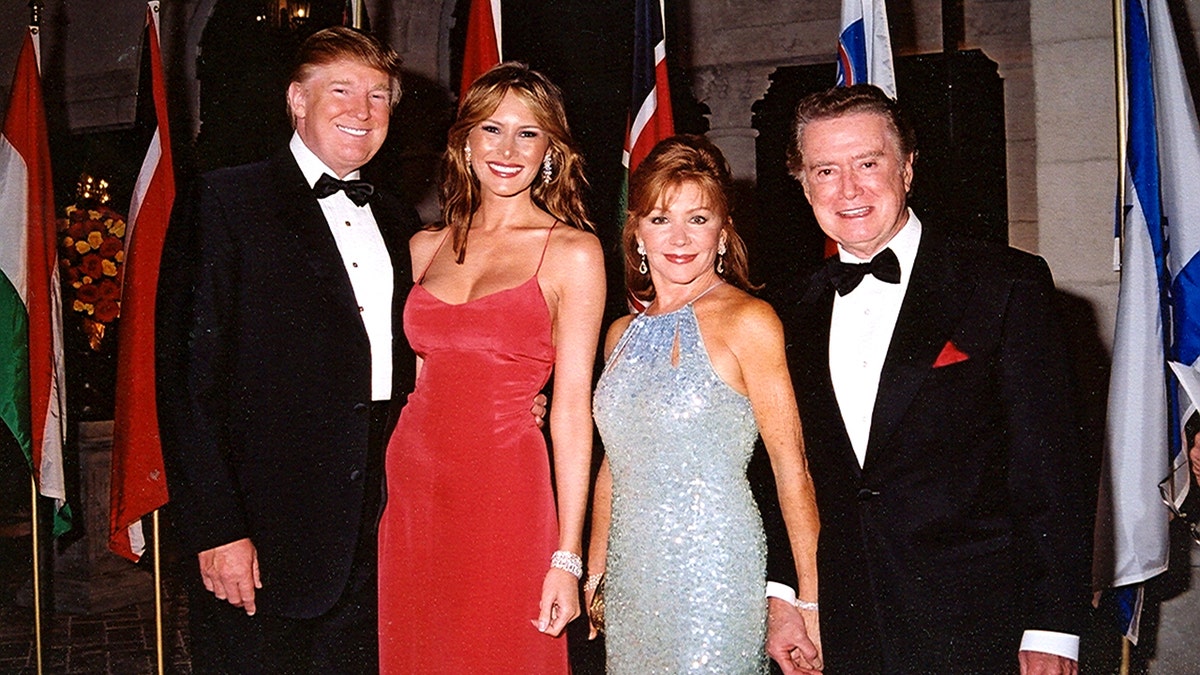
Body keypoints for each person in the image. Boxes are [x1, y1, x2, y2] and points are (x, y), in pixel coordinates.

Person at [764, 84, 1093, 675]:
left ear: (908, 168)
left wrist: (1054, 626)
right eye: (826, 170)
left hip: (983, 622)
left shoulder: (1003, 284)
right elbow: (786, 468)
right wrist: (785, 596)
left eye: (869, 163)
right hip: (844, 622)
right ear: (804, 183)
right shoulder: (788, 308)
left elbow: (1053, 472)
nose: (849, 189)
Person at [155, 27, 415, 673]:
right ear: (297, 99)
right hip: (266, 531)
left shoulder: (400, 219)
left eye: (379, 95)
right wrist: (217, 529)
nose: (362, 110)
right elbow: (187, 382)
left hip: (382, 523)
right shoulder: (225, 200)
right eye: (342, 90)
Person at [376, 62, 606, 673]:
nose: (507, 150)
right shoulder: (425, 246)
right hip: (414, 483)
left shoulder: (573, 252)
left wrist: (567, 556)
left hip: (507, 488)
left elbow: (573, 410)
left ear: (550, 149)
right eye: (491, 130)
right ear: (465, 142)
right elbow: (423, 378)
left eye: (528, 134)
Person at [587, 134, 823, 674]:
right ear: (637, 234)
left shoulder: (750, 320)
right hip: (631, 574)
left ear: (722, 233)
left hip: (715, 571)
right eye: (660, 218)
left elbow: (794, 473)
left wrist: (809, 603)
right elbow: (613, 464)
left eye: (698, 219)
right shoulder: (620, 332)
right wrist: (596, 567)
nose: (679, 238)